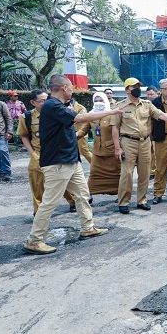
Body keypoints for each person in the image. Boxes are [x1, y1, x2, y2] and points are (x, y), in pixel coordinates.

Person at [22, 75, 122, 255]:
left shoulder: (59, 106)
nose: (73, 90)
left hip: (70, 159)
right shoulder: (52, 106)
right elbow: (80, 118)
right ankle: (34, 240)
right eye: (71, 87)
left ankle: (88, 227)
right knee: (50, 202)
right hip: (57, 162)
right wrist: (111, 111)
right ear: (64, 88)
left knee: (82, 195)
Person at [111, 77, 167, 214]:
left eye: (138, 86)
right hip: (128, 142)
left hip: (145, 142)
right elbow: (114, 128)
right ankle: (123, 201)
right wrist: (117, 148)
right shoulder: (120, 106)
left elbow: (159, 114)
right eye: (134, 87)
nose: (137, 89)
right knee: (127, 173)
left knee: (145, 173)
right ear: (127, 90)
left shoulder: (146, 105)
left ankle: (141, 200)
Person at [17, 89, 76, 215]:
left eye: (47, 100)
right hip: (38, 153)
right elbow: (24, 135)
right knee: (37, 183)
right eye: (42, 101)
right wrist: (32, 154)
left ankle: (72, 201)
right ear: (33, 102)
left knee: (61, 179)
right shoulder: (26, 117)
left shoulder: (57, 112)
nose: (46, 103)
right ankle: (38, 210)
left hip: (55, 153)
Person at [84, 92, 121, 196]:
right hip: (97, 151)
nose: (98, 103)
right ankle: (89, 195)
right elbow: (84, 130)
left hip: (112, 151)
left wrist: (118, 148)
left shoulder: (112, 114)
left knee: (117, 174)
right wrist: (74, 136)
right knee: (94, 174)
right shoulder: (91, 115)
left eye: (101, 101)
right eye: (96, 101)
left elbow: (118, 131)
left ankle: (120, 194)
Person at [146, 85, 167, 179]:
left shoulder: (159, 103)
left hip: (160, 132)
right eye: (148, 95)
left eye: (152, 94)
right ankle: (152, 171)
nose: (150, 96)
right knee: (151, 152)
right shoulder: (145, 104)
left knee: (158, 153)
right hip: (149, 131)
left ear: (157, 93)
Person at [70, 98, 93, 165]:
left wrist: (71, 112)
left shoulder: (80, 108)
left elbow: (82, 119)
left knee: (84, 151)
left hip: (81, 132)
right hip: (71, 133)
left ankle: (95, 165)